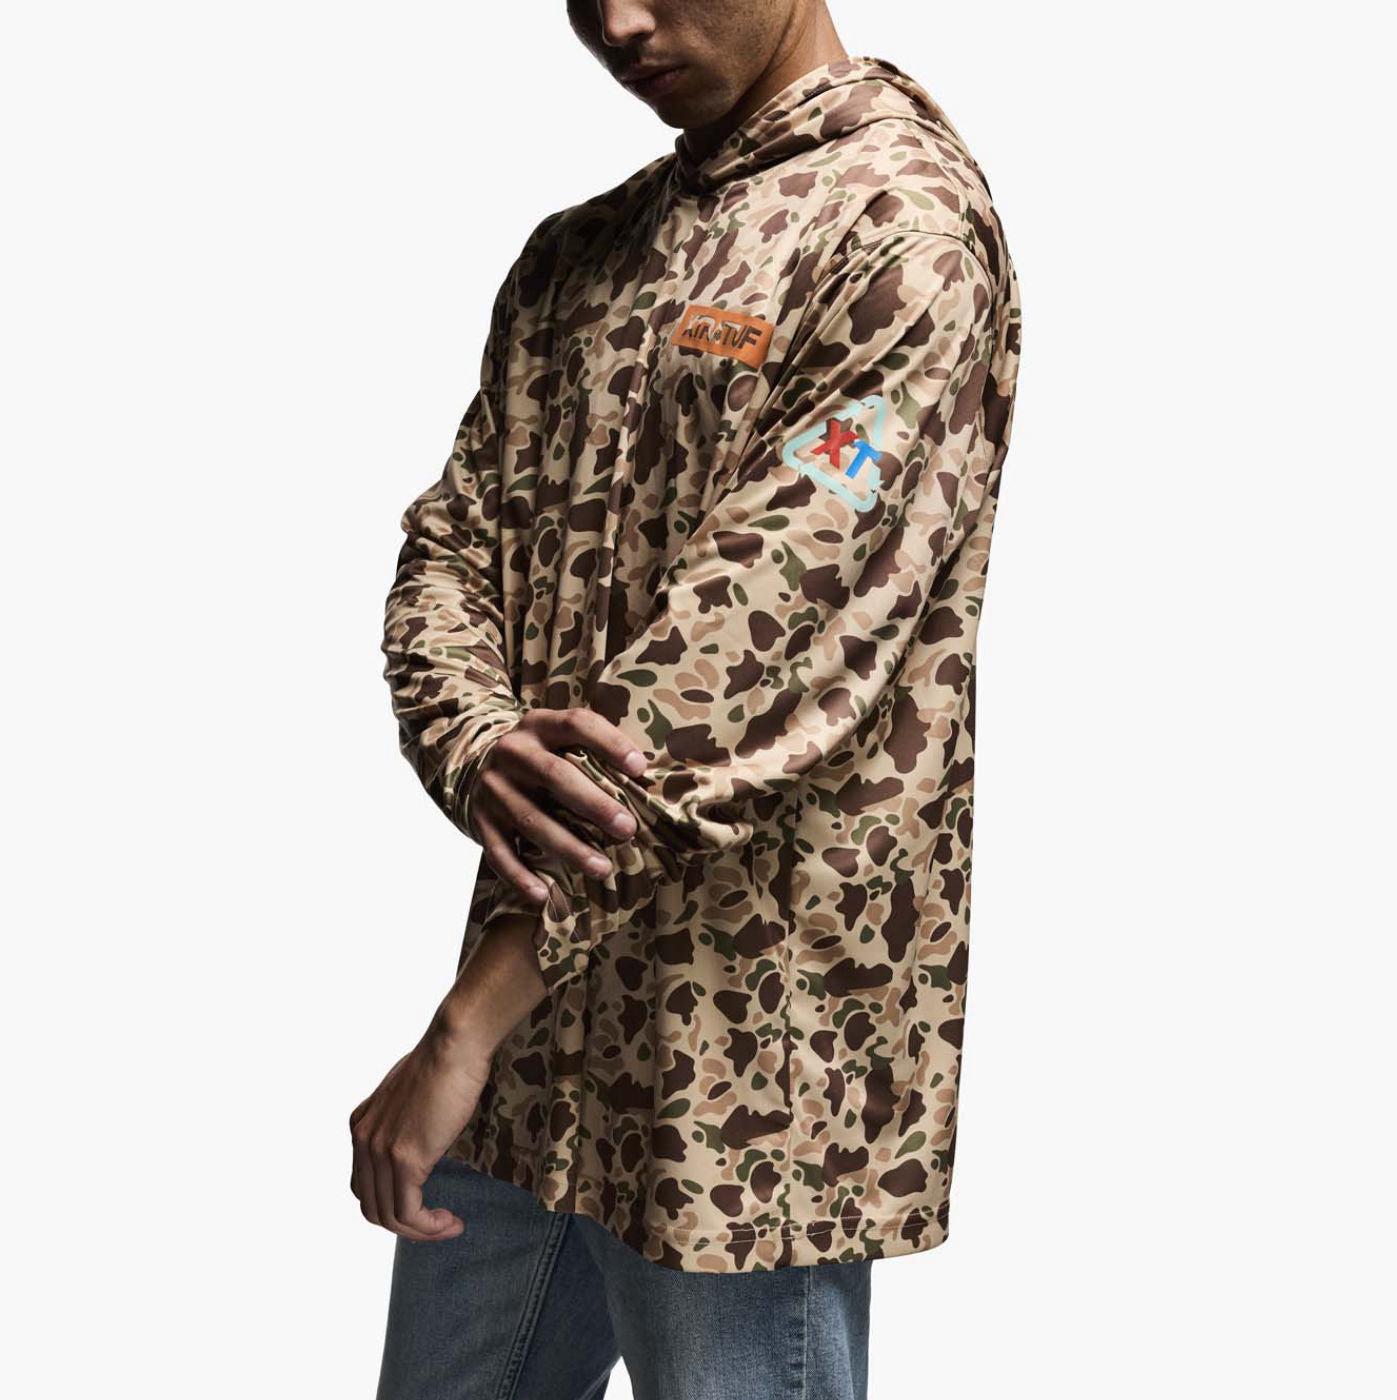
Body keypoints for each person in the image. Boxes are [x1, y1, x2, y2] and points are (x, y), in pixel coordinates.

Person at [354, 2, 1021, 1395]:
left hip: (741, 1068)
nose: (618, 20)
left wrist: (468, 1021)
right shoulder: (577, 256)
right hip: (540, 1055)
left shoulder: (900, 235)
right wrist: (472, 736)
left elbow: (742, 656)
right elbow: (453, 542)